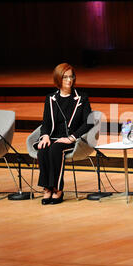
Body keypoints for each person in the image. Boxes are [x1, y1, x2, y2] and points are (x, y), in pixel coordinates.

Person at [35, 63, 93, 205]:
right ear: (58, 79)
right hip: (53, 136)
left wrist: (72, 138)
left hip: (72, 139)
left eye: (71, 76)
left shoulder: (81, 98)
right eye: (65, 77)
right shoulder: (50, 98)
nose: (69, 80)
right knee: (42, 149)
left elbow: (89, 122)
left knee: (56, 149)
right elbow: (46, 122)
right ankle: (46, 188)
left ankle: (57, 189)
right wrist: (45, 135)